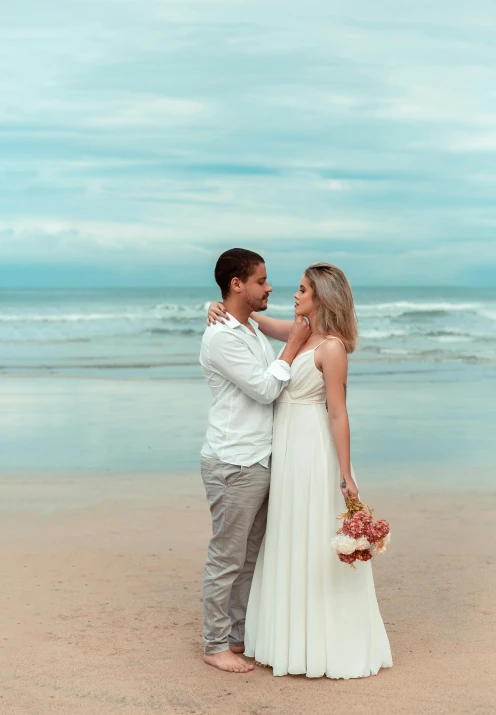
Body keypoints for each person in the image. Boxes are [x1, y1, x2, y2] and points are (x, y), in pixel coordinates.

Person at [208, 262, 393, 679]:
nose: (294, 294)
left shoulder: (332, 347)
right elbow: (252, 316)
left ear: (322, 297)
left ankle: (320, 641)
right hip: (284, 449)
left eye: (303, 289)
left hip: (311, 449)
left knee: (311, 539)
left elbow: (338, 415)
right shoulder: (302, 333)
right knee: (287, 537)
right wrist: (217, 307)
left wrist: (346, 475)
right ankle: (286, 638)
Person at [199, 248, 310, 673]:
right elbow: (265, 389)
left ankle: (237, 635)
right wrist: (294, 346)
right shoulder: (223, 336)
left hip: (258, 458)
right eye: (262, 281)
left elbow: (290, 336)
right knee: (227, 556)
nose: (270, 287)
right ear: (237, 285)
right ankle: (214, 644)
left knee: (249, 556)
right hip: (234, 461)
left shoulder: (246, 327)